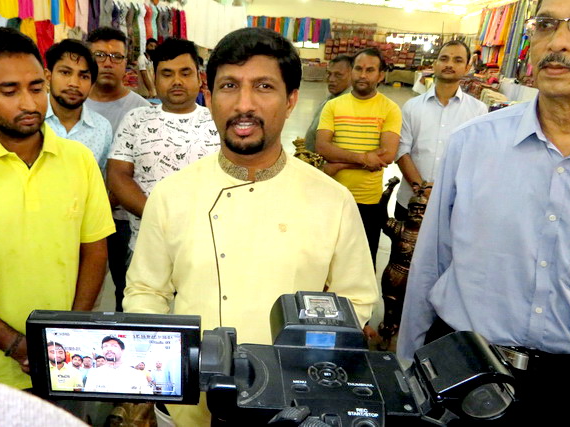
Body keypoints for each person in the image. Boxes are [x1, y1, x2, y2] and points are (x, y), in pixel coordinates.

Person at [123, 27, 379, 426]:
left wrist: (309, 365)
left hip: (293, 407)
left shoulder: (332, 199)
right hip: (193, 403)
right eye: (229, 86)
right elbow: (145, 291)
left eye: (263, 86)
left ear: (291, 100)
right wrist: (165, 368)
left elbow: (355, 301)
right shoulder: (172, 194)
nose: (244, 105)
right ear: (209, 98)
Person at [398, 0, 570, 421]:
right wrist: (410, 366)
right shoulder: (473, 143)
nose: (558, 42)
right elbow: (431, 261)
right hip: (465, 368)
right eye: (546, 24)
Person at [0, 28, 115, 390]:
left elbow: (94, 250)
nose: (28, 103)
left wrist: (69, 334)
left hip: (68, 361)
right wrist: (14, 344)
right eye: (9, 91)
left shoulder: (79, 161)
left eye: (36, 88)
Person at [107, 38, 220, 253]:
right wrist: (157, 217)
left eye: (185, 73)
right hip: (146, 248)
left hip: (206, 249)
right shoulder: (136, 119)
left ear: (199, 78)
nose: (177, 81)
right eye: (167, 74)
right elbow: (118, 176)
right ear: (155, 79)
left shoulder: (219, 122)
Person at [83, 27, 150, 312]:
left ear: (126, 63)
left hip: (124, 219)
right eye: (100, 55)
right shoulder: (72, 103)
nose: (108, 63)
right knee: (80, 289)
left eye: (116, 57)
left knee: (128, 290)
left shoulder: (142, 111)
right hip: (77, 217)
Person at [315, 48, 402, 264]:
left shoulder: (390, 109)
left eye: (370, 70)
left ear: (380, 75)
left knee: (362, 263)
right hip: (332, 195)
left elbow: (387, 155)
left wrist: (338, 164)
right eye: (358, 69)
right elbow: (322, 147)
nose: (362, 75)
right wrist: (364, 159)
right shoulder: (333, 106)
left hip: (368, 201)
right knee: (326, 260)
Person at [394, 40, 487, 220]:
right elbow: (402, 151)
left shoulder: (478, 111)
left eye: (458, 60)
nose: (449, 64)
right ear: (435, 64)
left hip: (453, 204)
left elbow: (476, 158)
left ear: (467, 68)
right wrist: (422, 188)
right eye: (444, 59)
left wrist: (442, 192)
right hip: (411, 202)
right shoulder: (412, 107)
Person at [44, 39, 114, 173]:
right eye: (65, 73)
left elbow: (99, 180)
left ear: (92, 85)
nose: (74, 83)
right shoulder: (30, 120)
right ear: (48, 77)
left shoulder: (102, 128)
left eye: (84, 76)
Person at [303, 55, 353, 152]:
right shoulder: (332, 98)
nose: (331, 79)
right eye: (329, 74)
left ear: (353, 75)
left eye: (338, 75)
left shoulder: (348, 105)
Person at [83, 336, 152, 394]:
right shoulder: (94, 374)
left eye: (114, 346)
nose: (109, 349)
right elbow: (87, 399)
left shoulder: (137, 375)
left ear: (122, 350)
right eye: (105, 346)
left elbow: (147, 400)